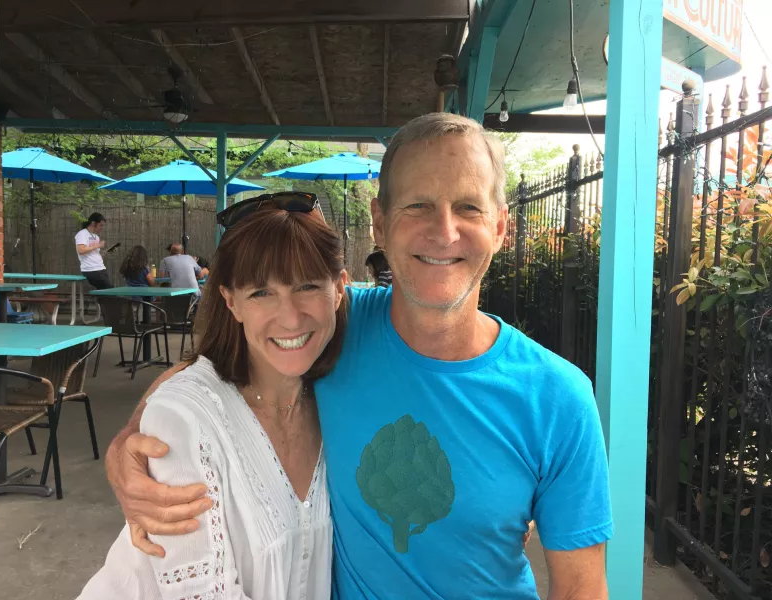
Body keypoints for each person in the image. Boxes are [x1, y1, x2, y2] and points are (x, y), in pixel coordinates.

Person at [104, 114, 613, 599]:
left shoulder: (559, 398)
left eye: (468, 207)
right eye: (418, 206)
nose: (444, 231)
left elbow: (581, 589)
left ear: (500, 227)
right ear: (379, 223)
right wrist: (132, 442)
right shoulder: (331, 324)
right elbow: (220, 362)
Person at [78, 197, 348, 600]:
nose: (290, 317)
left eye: (307, 286)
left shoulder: (333, 394)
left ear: (340, 289)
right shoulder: (185, 419)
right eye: (261, 293)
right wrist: (129, 438)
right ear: (231, 301)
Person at [75, 212, 112, 289]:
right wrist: (98, 245)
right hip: (90, 269)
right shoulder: (82, 234)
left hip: (101, 268)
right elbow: (81, 250)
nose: (102, 227)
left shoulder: (96, 237)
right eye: (100, 225)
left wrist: (107, 251)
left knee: (104, 292)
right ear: (93, 223)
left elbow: (95, 254)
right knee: (109, 290)